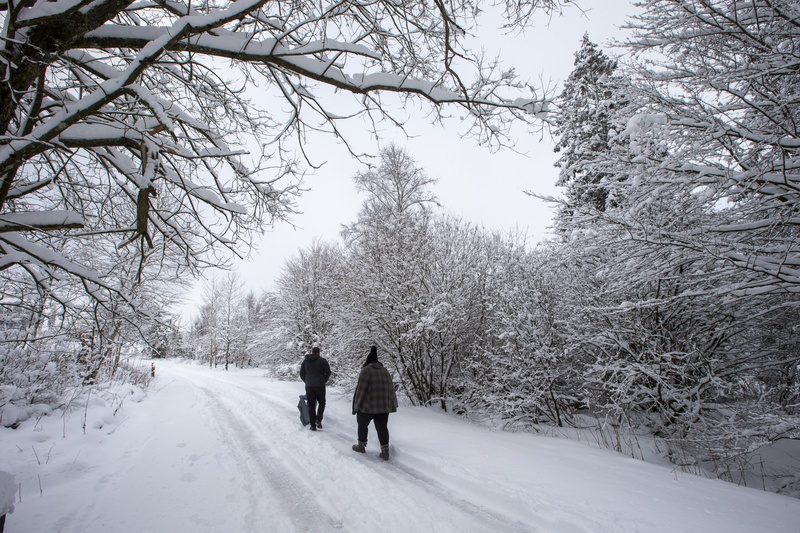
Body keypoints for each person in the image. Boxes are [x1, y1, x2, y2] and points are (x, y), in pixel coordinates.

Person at [351, 345, 398, 460]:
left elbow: (361, 390)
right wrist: (392, 404)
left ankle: (361, 446)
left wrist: (356, 407)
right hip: (383, 407)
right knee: (382, 428)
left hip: (368, 407)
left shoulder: (366, 371)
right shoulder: (385, 371)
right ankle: (385, 451)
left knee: (362, 425)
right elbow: (391, 389)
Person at [299, 346, 331, 431]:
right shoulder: (323, 361)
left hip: (309, 386)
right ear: (319, 352)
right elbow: (328, 372)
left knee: (311, 405)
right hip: (320, 385)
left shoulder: (305, 361)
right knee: (322, 403)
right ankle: (318, 419)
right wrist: (324, 380)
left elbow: (301, 373)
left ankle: (313, 425)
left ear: (312, 352)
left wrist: (307, 381)